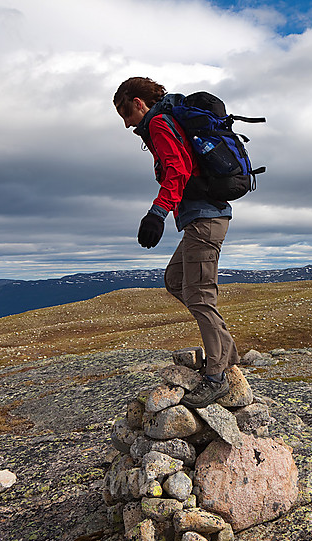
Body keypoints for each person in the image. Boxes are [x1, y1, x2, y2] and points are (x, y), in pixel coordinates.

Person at [113, 77, 239, 408]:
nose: (127, 124)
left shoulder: (157, 121)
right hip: (201, 219)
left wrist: (157, 213)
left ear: (138, 103)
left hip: (205, 220)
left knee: (199, 296)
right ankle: (227, 351)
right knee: (175, 280)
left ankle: (216, 377)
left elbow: (178, 169)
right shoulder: (165, 121)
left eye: (126, 113)